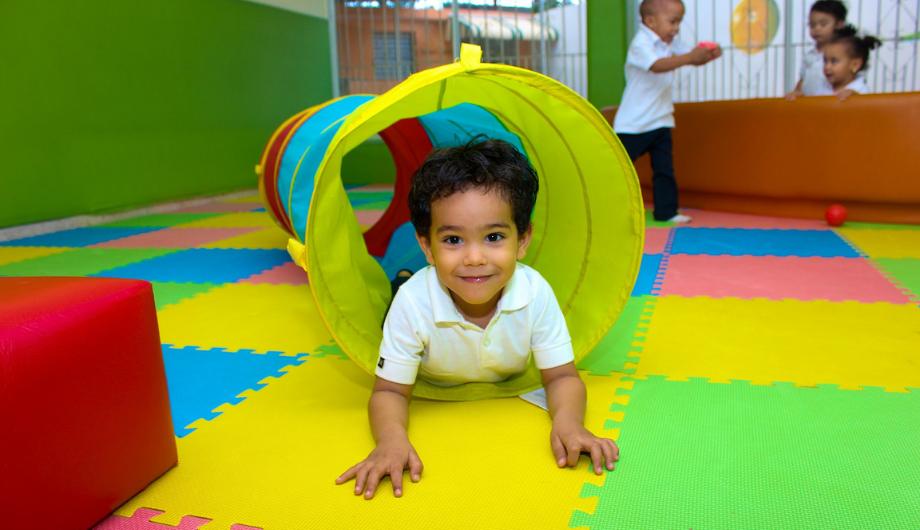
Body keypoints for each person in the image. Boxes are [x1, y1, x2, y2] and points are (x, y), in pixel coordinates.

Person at [335, 139, 618, 500]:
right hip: (415, 302)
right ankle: (403, 276)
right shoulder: (414, 304)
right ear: (427, 246)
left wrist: (569, 423)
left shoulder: (534, 292)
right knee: (401, 292)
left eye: (494, 237)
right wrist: (392, 440)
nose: (474, 258)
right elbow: (389, 390)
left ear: (523, 239)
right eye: (453, 239)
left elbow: (562, 376)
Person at [614, 0, 721, 224]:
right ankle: (607, 207)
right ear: (650, 21)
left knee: (664, 169)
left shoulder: (669, 43)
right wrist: (690, 57)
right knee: (618, 170)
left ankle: (666, 211)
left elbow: (689, 57)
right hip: (634, 123)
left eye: (679, 22)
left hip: (661, 119)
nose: (676, 28)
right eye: (672, 22)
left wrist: (707, 54)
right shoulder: (640, 43)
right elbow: (657, 65)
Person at [785, 0, 848, 99]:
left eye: (823, 24)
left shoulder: (845, 53)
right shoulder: (810, 55)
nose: (817, 29)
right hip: (810, 106)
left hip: (833, 105)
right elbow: (803, 79)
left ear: (839, 24)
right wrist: (796, 92)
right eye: (812, 25)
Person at [822, 26, 882, 100]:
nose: (827, 67)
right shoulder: (822, 87)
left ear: (855, 65)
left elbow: (867, 109)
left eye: (834, 61)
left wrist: (856, 99)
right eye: (825, 61)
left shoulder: (861, 90)